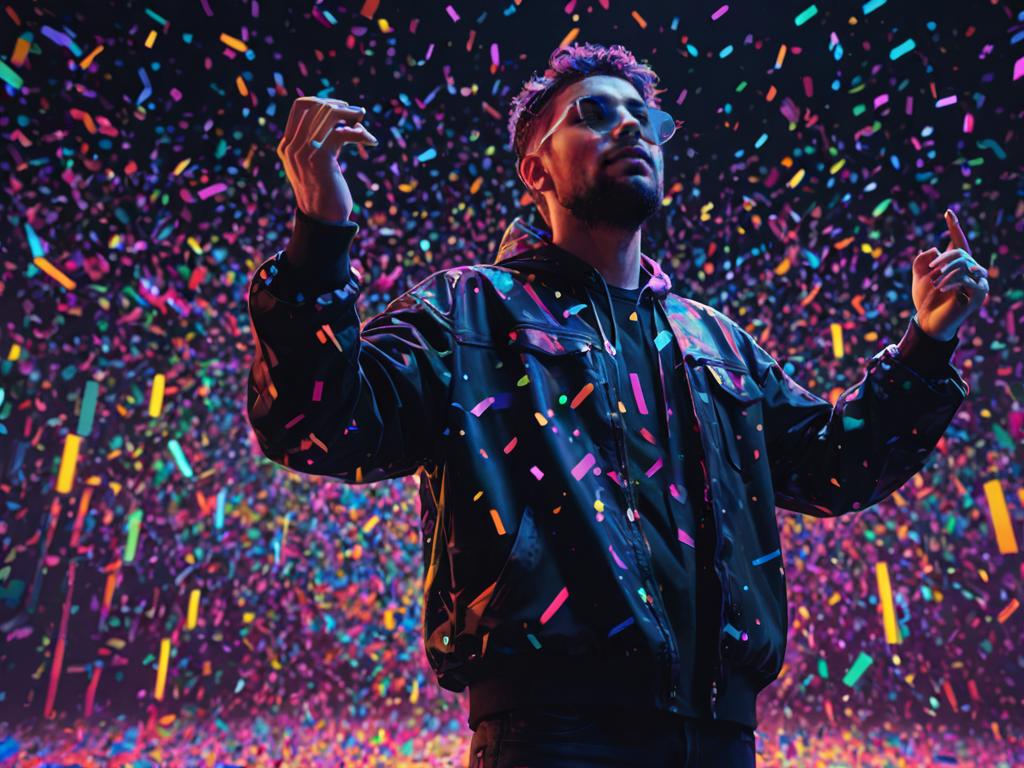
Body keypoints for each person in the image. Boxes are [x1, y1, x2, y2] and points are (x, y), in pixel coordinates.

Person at [246, 42, 989, 768]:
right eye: (594, 113)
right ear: (535, 169)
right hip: (552, 737)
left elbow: (837, 467)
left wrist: (927, 342)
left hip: (722, 737)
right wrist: (320, 233)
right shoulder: (468, 313)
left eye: (642, 115)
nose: (630, 126)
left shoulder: (716, 343)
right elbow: (314, 424)